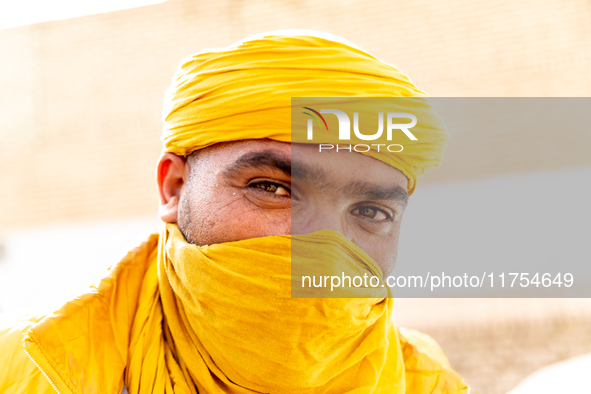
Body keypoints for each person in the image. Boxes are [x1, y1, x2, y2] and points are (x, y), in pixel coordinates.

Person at [0, 30, 469, 393]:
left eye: (371, 211)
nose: (325, 243)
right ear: (174, 187)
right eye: (273, 188)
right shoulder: (26, 371)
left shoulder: (428, 383)